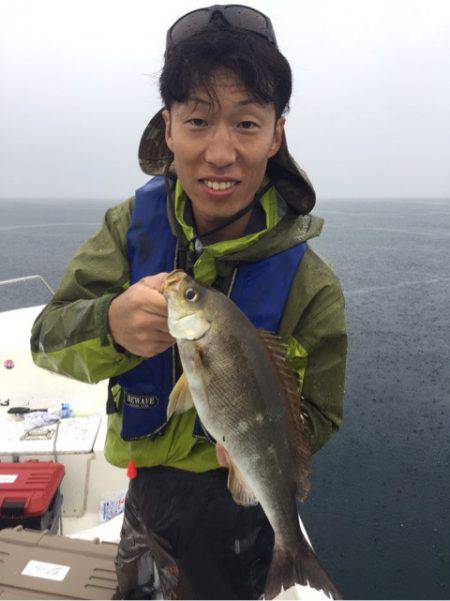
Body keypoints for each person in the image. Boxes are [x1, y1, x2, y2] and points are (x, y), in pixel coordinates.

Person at [30, 5, 347, 599]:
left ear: (277, 133)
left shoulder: (313, 285)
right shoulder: (127, 232)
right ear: (168, 127)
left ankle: (288, 558)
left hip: (238, 512)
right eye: (199, 121)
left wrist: (259, 440)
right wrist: (111, 326)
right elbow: (45, 340)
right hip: (144, 494)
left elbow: (322, 416)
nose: (221, 152)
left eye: (247, 125)